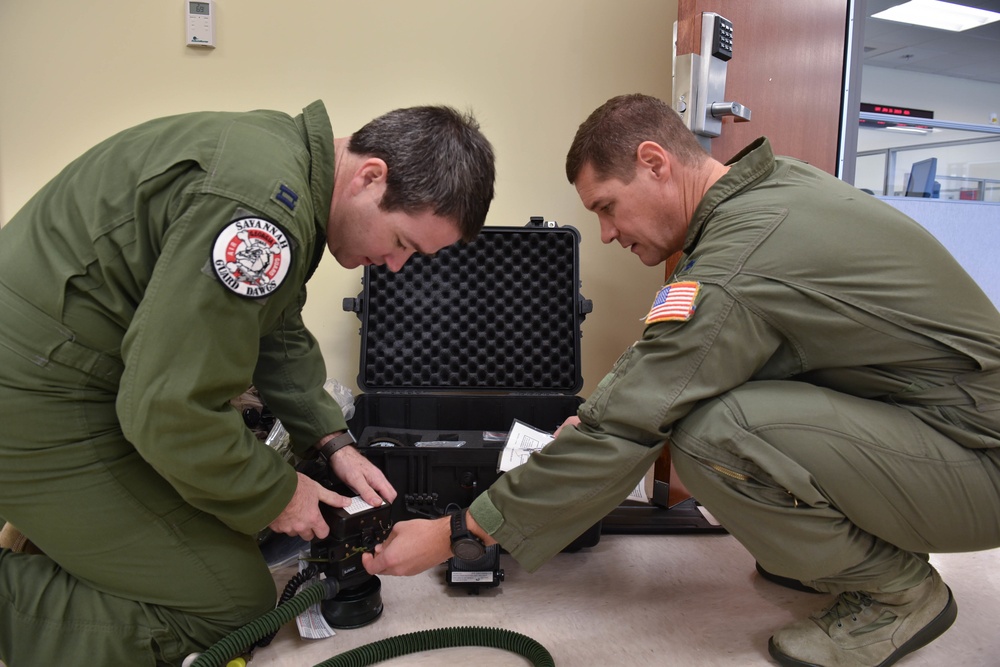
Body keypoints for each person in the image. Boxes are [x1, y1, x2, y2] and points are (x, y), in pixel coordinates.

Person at [362, 93, 1000, 667]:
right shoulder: (768, 198)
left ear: (655, 161)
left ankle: (895, 593)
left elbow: (640, 413)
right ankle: (840, 562)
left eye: (607, 207)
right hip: (943, 433)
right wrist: (591, 421)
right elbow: (669, 372)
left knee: (710, 431)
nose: (607, 233)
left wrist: (456, 534)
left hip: (980, 462)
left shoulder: (737, 258)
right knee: (697, 407)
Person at [0, 99, 495, 666]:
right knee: (232, 602)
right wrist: (277, 493)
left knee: (209, 528)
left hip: (65, 375)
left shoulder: (281, 163)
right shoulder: (261, 208)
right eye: (404, 242)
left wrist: (331, 440)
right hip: (36, 397)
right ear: (370, 177)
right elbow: (167, 409)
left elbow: (275, 332)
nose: (395, 266)